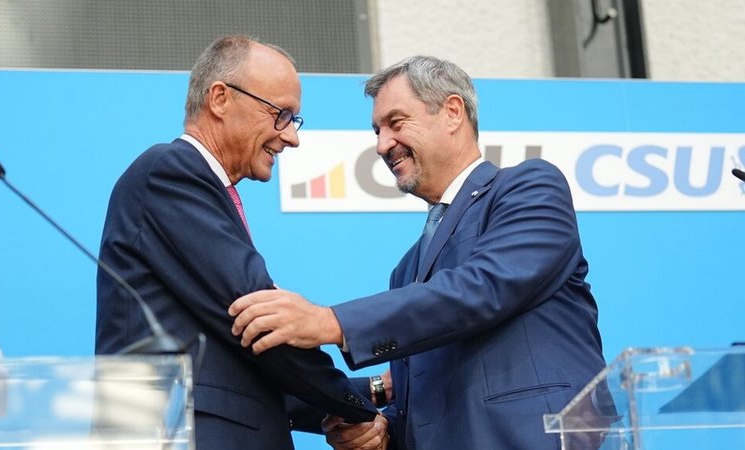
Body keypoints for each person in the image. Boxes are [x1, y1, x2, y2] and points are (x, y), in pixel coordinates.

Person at [229, 55, 607, 449]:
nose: (381, 145)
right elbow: (421, 395)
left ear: (452, 112)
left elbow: (483, 287)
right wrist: (380, 431)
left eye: (396, 122)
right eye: (377, 130)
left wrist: (332, 322)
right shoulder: (407, 269)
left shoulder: (528, 187)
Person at [94, 35, 385, 450]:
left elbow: (242, 369)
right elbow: (258, 321)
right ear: (220, 98)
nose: (292, 137)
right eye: (281, 114)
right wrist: (360, 411)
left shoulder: (195, 186)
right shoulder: (171, 172)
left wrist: (374, 389)